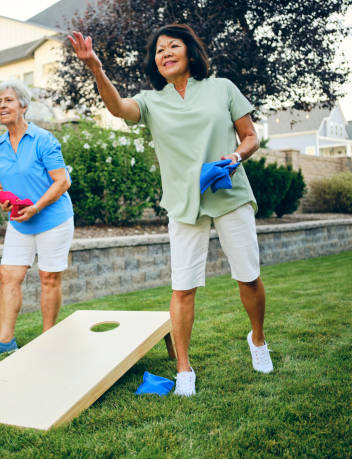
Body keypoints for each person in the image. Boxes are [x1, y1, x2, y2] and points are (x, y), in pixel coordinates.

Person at [68, 24, 273, 395]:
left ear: (190, 52)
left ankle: (257, 339)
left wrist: (235, 156)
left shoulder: (221, 88)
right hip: (183, 201)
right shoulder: (151, 101)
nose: (164, 53)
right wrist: (96, 68)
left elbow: (250, 137)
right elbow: (118, 108)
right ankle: (183, 370)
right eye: (159, 50)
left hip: (229, 193)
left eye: (173, 46)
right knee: (182, 287)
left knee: (248, 277)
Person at [0, 80, 74, 357]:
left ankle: (48, 338)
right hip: (20, 221)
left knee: (49, 277)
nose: (2, 106)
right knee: (9, 275)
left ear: (23, 106)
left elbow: (62, 181)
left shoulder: (43, 140)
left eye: (8, 100)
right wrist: (2, 199)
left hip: (52, 219)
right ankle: (5, 341)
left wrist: (37, 207)